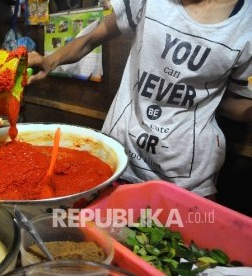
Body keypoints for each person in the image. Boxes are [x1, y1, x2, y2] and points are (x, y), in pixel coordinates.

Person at [27, 0, 252, 198]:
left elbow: (232, 102)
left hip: (186, 173)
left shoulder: (246, 25)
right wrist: (52, 59)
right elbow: (90, 40)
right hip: (122, 155)